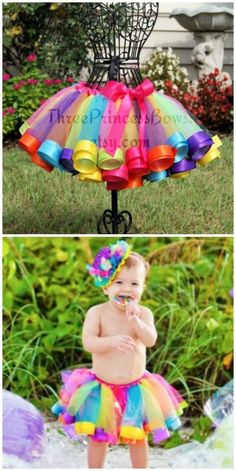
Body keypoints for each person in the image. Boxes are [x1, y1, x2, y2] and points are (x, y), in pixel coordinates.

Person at [52, 240, 187, 468]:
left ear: (142, 288)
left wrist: (135, 322)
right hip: (102, 387)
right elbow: (88, 342)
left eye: (134, 283)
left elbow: (150, 340)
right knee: (99, 436)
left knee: (137, 437)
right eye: (119, 282)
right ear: (105, 286)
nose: (126, 289)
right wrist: (112, 341)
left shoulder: (143, 313)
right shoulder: (97, 313)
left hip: (135, 388)